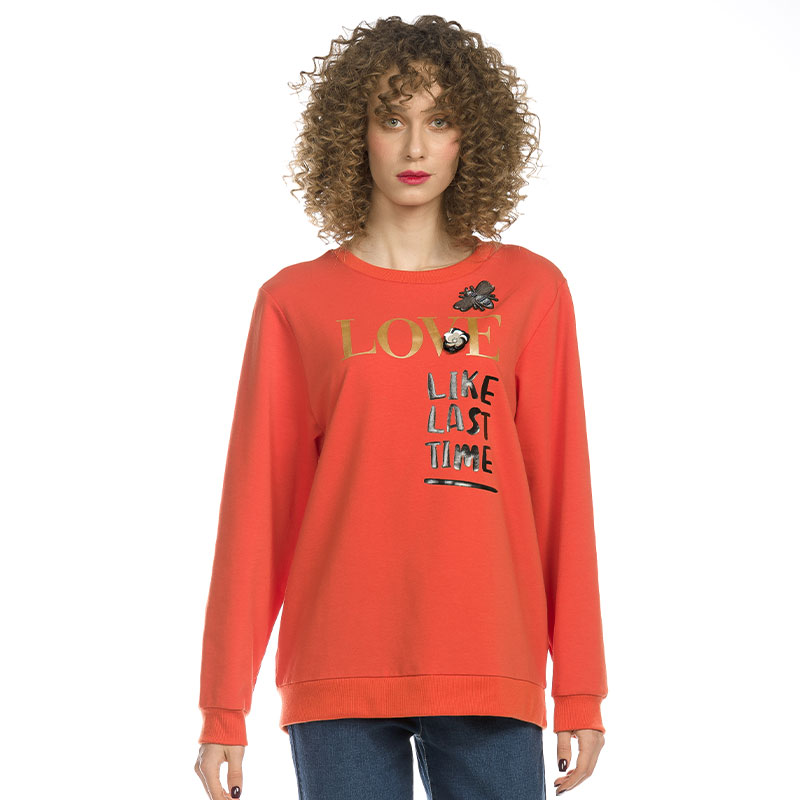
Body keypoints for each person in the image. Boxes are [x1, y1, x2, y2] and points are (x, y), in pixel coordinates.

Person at [194, 14, 608, 800]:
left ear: (470, 136)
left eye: (439, 120)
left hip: (490, 661)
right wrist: (223, 707)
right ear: (355, 135)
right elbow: (257, 510)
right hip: (338, 669)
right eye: (391, 119)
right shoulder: (296, 302)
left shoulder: (530, 291)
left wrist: (581, 687)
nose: (415, 147)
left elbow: (562, 494)